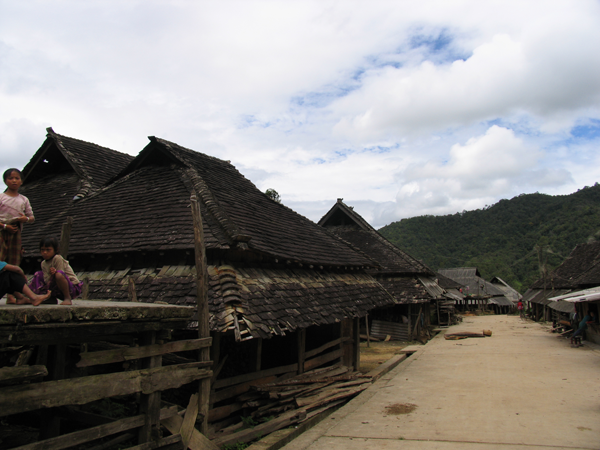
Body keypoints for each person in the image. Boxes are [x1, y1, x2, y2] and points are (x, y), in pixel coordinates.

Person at [0, 168, 35, 304]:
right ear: (5, 181)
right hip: (2, 230)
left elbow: (31, 218)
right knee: (2, 260)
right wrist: (5, 226)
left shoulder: (23, 199)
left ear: (21, 181)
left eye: (17, 178)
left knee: (14, 260)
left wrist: (25, 219)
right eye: (10, 178)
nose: (14, 181)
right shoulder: (1, 197)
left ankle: (11, 296)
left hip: (16, 231)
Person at [28, 236, 82, 305]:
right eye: (42, 250)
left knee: (58, 274)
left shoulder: (57, 258)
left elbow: (61, 275)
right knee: (38, 274)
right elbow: (47, 280)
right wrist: (50, 275)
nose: (45, 252)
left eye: (48, 250)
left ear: (56, 250)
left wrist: (54, 274)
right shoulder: (43, 263)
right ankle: (50, 298)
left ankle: (67, 298)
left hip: (71, 288)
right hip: (55, 288)